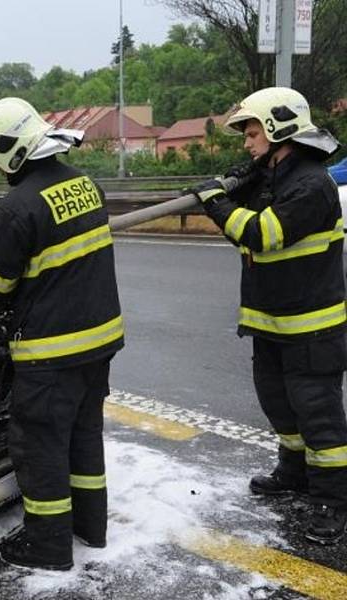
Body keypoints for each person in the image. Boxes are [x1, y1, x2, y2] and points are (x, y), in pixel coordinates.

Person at [0, 97, 124, 570]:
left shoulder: (18, 205)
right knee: (84, 438)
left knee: (41, 449)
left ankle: (49, 549)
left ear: (10, 152)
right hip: (99, 343)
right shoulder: (85, 184)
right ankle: (90, 531)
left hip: (51, 354)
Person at [191, 87, 347, 545]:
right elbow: (247, 222)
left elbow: (261, 234)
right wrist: (233, 183)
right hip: (270, 325)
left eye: (253, 132)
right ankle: (293, 473)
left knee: (320, 420)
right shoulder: (273, 176)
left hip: (311, 330)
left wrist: (216, 204)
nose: (247, 142)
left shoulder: (312, 185)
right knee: (280, 407)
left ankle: (333, 501)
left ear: (279, 129)